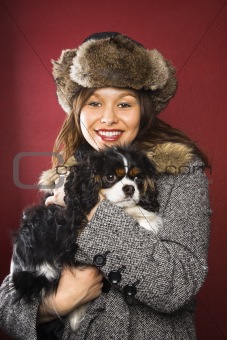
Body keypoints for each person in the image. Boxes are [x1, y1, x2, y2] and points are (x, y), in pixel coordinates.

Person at [0, 32, 211, 340]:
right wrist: (56, 303)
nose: (108, 118)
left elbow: (179, 283)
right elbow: (8, 303)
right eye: (95, 102)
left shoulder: (180, 174)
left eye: (124, 104)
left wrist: (92, 215)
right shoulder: (66, 179)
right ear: (77, 110)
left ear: (143, 110)